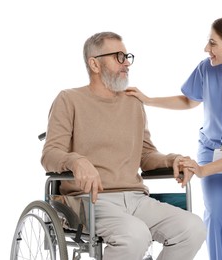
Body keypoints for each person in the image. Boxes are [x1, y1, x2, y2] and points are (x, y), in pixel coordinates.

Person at [126, 15, 222, 260]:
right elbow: (189, 100)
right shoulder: (207, 68)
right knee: (216, 213)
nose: (206, 49)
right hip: (212, 146)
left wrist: (202, 170)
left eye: (212, 43)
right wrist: (148, 100)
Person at [41, 31, 206, 260]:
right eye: (118, 56)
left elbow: (146, 155)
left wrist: (172, 160)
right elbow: (50, 154)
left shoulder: (133, 102)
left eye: (127, 56)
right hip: (90, 200)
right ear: (95, 64)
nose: (126, 63)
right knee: (135, 236)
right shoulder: (69, 100)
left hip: (136, 198)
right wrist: (76, 160)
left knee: (193, 228)